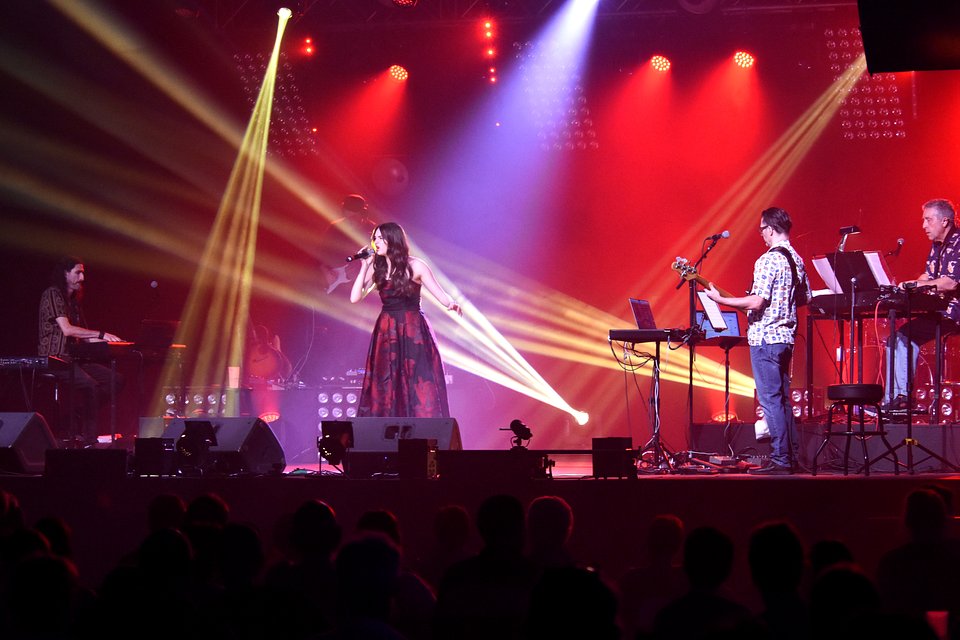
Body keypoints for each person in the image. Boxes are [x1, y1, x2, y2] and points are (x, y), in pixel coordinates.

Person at [705, 207, 810, 475]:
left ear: (771, 229)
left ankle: (781, 460)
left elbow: (757, 301)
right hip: (785, 339)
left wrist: (720, 299)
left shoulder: (767, 260)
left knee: (770, 401)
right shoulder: (796, 259)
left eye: (762, 229)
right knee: (783, 401)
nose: (761, 234)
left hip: (766, 338)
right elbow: (805, 298)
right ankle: (791, 457)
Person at [350, 222, 461, 418]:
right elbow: (355, 297)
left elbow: (441, 295)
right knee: (388, 378)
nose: (375, 243)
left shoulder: (416, 265)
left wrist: (452, 303)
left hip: (412, 329)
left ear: (392, 239)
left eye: (380, 238)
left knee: (417, 376)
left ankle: (422, 425)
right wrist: (364, 267)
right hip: (387, 330)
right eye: (374, 238)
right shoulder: (377, 268)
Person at [38, 256, 124, 446]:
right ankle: (89, 440)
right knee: (90, 385)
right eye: (78, 273)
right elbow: (68, 330)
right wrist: (101, 334)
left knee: (115, 380)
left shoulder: (74, 303)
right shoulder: (53, 294)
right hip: (55, 358)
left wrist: (115, 342)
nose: (82, 278)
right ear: (65, 274)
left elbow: (85, 336)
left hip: (74, 358)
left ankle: (78, 414)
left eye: (83, 273)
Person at [884, 198, 960, 410]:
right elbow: (929, 275)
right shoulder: (937, 245)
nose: (924, 225)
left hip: (954, 312)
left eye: (928, 220)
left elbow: (950, 282)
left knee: (904, 335)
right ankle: (894, 400)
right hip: (939, 310)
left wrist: (917, 285)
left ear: (944, 221)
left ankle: (900, 399)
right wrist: (909, 284)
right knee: (897, 337)